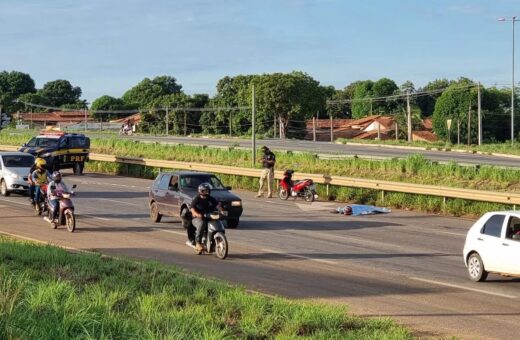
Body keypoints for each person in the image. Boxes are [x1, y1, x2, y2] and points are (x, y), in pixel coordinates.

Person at [190, 183, 222, 254]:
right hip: (197, 219)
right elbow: (192, 208)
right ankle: (198, 243)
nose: (207, 192)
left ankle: (214, 242)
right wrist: (196, 214)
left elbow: (217, 205)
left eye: (208, 190)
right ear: (201, 191)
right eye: (205, 191)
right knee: (202, 223)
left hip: (208, 217)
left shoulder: (211, 199)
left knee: (217, 221)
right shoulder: (196, 198)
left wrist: (221, 210)